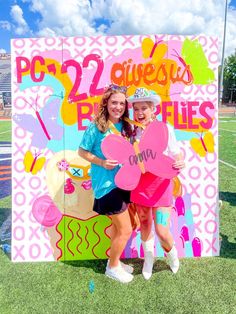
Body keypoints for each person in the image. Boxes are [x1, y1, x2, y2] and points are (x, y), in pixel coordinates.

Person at [78, 84, 134, 283]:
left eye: (121, 103)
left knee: (119, 229)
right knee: (126, 229)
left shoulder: (126, 126)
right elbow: (82, 152)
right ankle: (112, 267)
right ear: (106, 103)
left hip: (124, 183)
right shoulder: (97, 126)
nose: (117, 107)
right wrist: (101, 162)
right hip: (106, 186)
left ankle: (115, 260)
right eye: (114, 102)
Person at [128, 87, 185, 280]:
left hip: (161, 186)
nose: (140, 112)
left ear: (154, 110)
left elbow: (176, 153)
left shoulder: (165, 129)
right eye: (136, 109)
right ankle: (149, 259)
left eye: (144, 108)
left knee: (161, 230)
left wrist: (180, 161)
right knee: (144, 224)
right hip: (140, 186)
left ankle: (172, 255)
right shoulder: (131, 131)